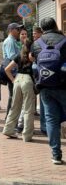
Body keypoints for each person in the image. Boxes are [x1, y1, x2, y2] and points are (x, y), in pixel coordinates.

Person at [31, 17, 66, 165]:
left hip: (45, 85)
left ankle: (56, 154)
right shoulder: (64, 40)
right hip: (64, 85)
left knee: (51, 120)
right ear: (55, 25)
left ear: (42, 28)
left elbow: (32, 59)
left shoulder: (37, 43)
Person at [2, 39, 35, 142]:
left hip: (18, 79)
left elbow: (7, 69)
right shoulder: (33, 55)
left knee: (14, 107)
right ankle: (27, 135)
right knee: (28, 109)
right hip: (28, 80)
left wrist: (13, 80)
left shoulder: (18, 56)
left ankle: (8, 129)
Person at [3, 23, 23, 118]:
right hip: (13, 71)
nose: (19, 31)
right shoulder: (10, 41)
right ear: (11, 30)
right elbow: (12, 56)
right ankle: (9, 117)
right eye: (17, 29)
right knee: (13, 95)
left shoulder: (13, 40)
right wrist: (22, 56)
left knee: (14, 95)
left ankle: (10, 117)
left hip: (14, 70)